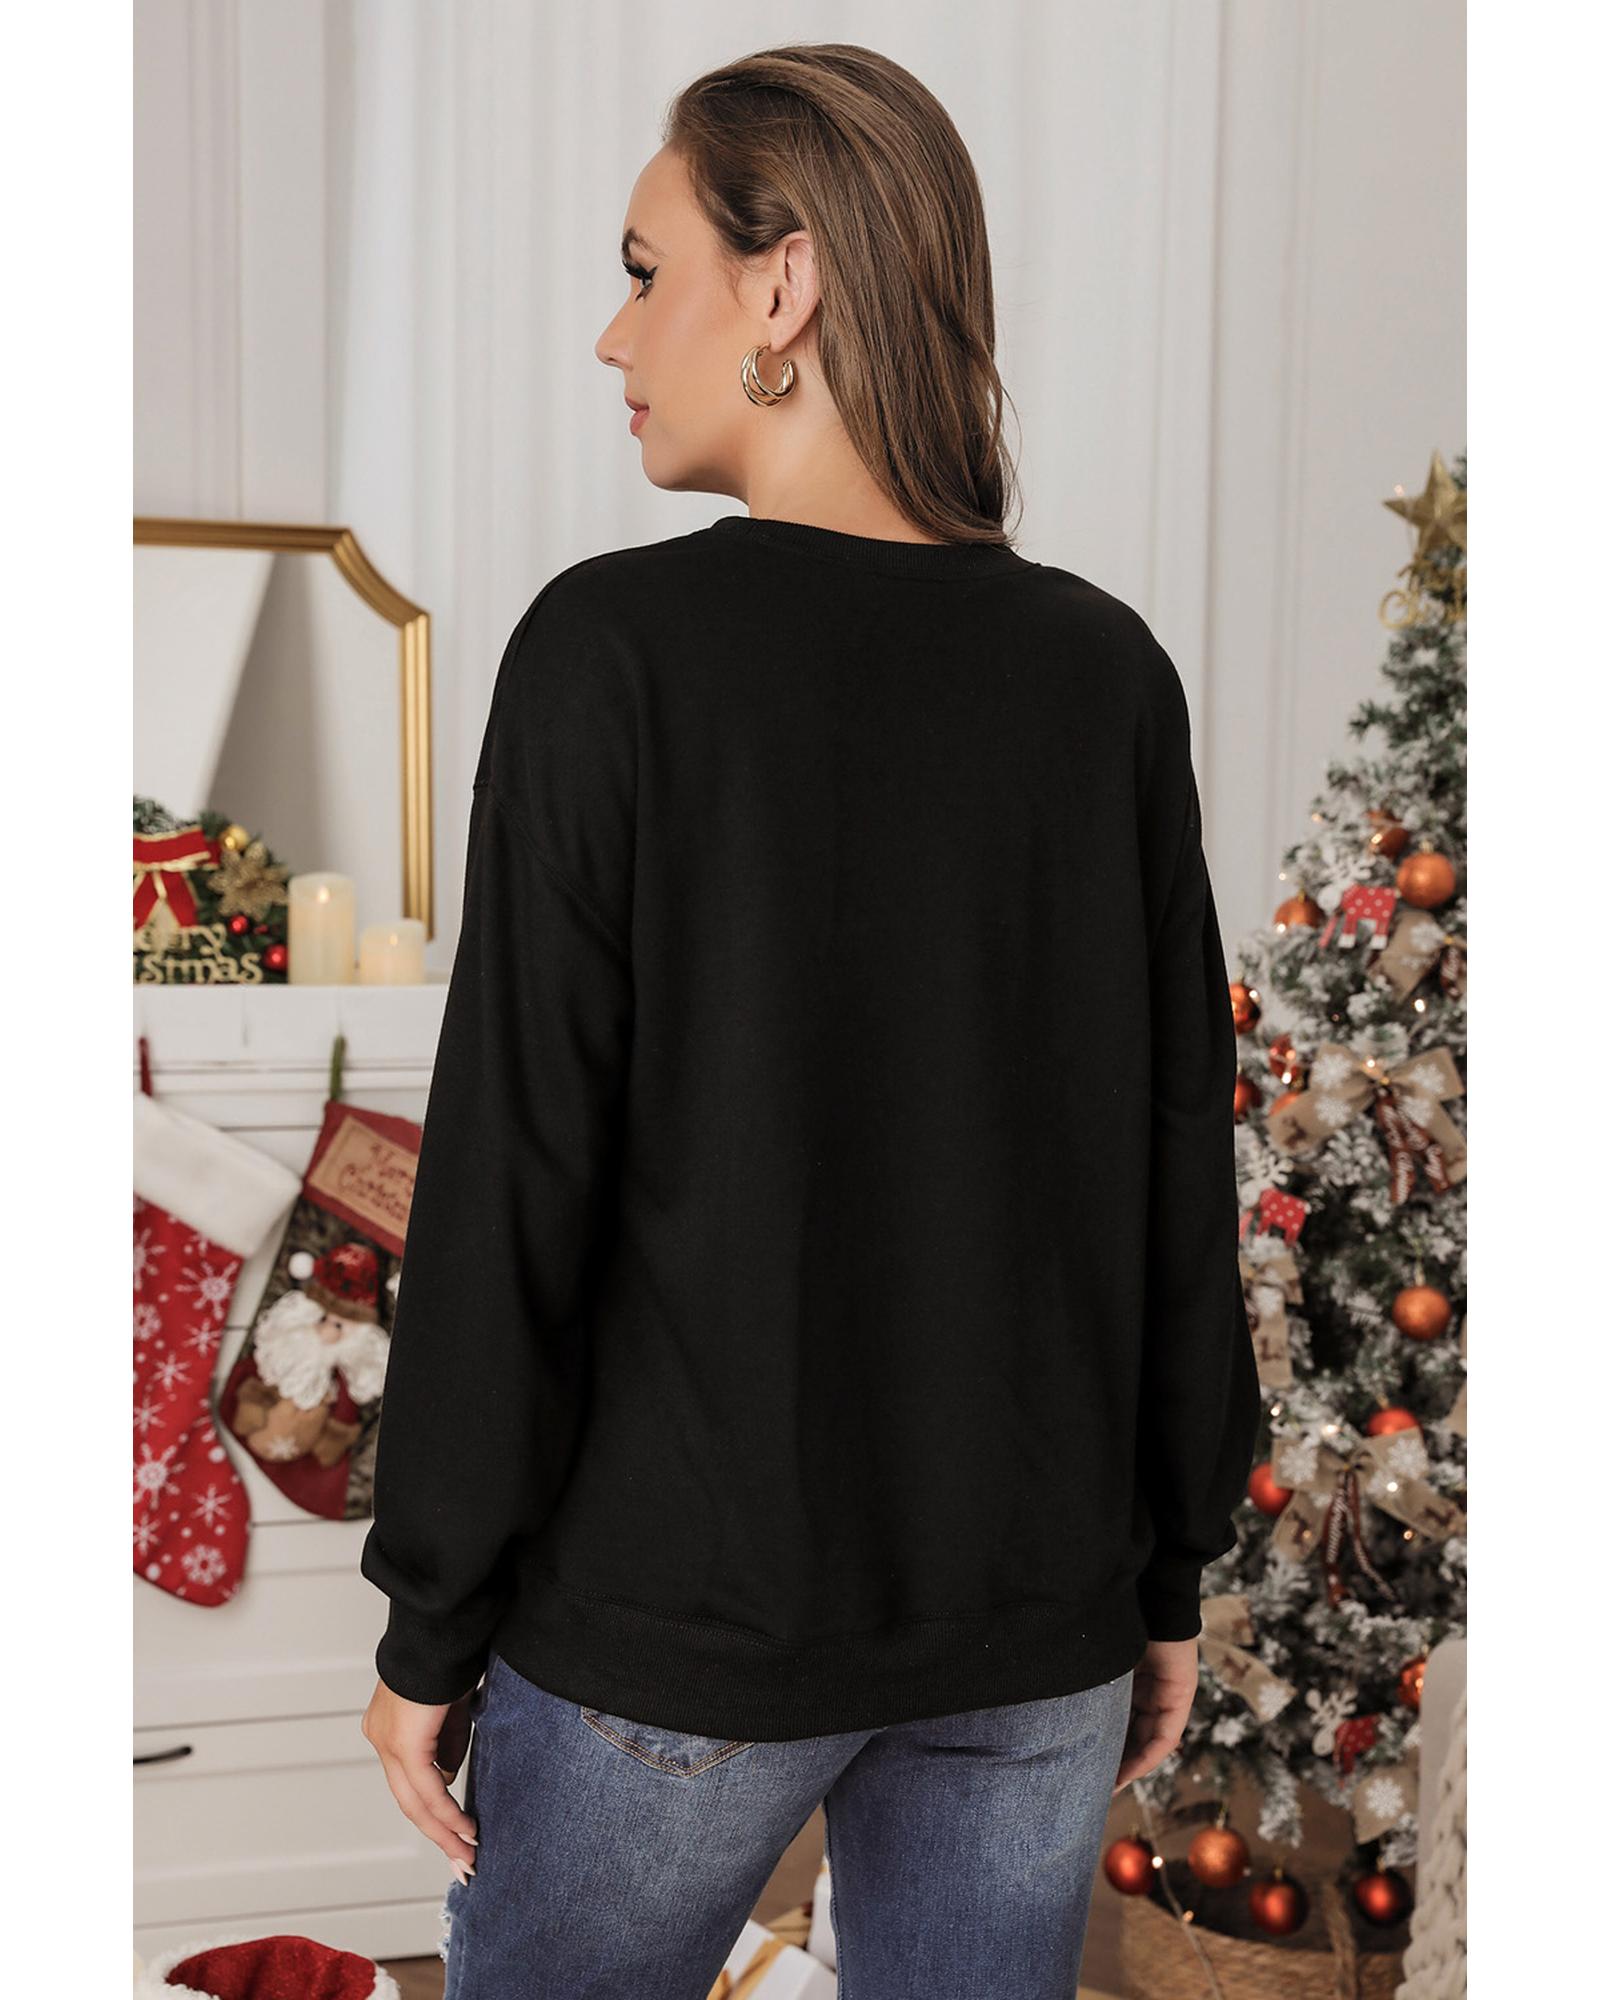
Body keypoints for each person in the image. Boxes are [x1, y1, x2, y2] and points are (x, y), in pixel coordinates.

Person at [359, 41, 1260, 2000]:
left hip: (678, 1626)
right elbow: (1168, 1159)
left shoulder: (611, 653)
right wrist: (1163, 1558)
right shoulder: (1102, 676)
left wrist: (431, 1615)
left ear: (783, 288)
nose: (614, 333)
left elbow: (515, 1174)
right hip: (1031, 1623)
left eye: (644, 269)